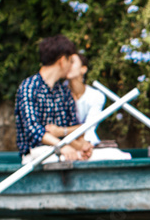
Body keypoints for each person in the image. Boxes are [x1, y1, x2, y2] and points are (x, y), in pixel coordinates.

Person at [14, 35, 93, 164]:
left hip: (64, 151)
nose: (70, 66)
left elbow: (73, 127)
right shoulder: (29, 87)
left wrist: (80, 146)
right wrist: (61, 146)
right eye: (70, 62)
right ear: (62, 61)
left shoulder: (64, 91)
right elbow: (33, 129)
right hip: (36, 155)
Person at [58, 53, 131, 161]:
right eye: (66, 62)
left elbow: (89, 128)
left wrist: (62, 132)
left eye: (72, 62)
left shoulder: (96, 96)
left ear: (83, 69)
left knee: (118, 156)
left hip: (86, 145)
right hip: (63, 145)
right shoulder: (57, 94)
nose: (68, 65)